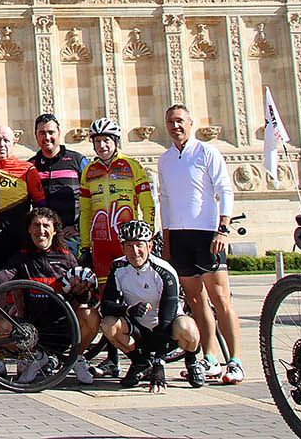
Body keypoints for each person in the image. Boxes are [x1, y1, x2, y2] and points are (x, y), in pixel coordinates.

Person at [157, 103, 243, 384]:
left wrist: (223, 228)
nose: (175, 126)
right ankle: (211, 358)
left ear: (191, 123)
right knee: (196, 301)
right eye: (170, 122)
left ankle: (236, 360)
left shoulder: (207, 152)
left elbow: (224, 189)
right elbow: (166, 200)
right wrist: (167, 240)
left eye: (180, 121)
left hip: (207, 234)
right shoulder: (166, 159)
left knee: (221, 299)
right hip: (180, 236)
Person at [0, 207, 101, 386]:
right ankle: (36, 356)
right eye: (35, 225)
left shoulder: (67, 258)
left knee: (91, 316)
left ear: (55, 230)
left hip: (65, 329)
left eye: (45, 226)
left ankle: (75, 357)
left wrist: (82, 291)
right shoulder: (21, 257)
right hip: (31, 332)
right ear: (28, 229)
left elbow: (85, 299)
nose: (40, 230)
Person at [79, 117, 154, 379]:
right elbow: (86, 212)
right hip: (101, 245)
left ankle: (144, 353)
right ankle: (112, 360)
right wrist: (85, 245)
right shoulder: (89, 171)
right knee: (107, 304)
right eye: (98, 142)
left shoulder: (132, 167)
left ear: (115, 142)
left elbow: (147, 204)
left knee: (132, 300)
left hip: (126, 245)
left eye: (106, 141)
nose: (102, 146)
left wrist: (148, 238)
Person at [100, 219, 205, 391]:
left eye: (139, 245)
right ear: (122, 247)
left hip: (168, 328)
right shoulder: (118, 267)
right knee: (108, 324)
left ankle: (192, 362)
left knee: (188, 328)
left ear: (150, 245)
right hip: (139, 328)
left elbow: (167, 318)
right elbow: (106, 305)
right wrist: (128, 309)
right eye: (129, 246)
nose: (135, 252)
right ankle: (140, 363)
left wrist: (160, 363)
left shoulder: (164, 271)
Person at [0, 124, 45, 274]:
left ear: (14, 142)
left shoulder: (27, 170)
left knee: (18, 283)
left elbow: (41, 205)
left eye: (6, 140)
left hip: (18, 238)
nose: (1, 145)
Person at [29, 113, 87, 251]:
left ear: (59, 133)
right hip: (43, 239)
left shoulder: (77, 161)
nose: (47, 137)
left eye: (51, 132)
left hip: (73, 237)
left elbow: (92, 196)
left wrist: (78, 227)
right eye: (42, 133)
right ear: (36, 135)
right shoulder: (30, 166)